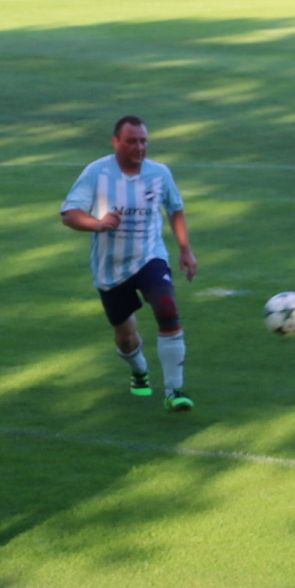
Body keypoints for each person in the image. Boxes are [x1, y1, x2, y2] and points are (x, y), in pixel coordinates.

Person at [60, 115, 197, 411]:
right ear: (116, 142)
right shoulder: (97, 172)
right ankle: (139, 370)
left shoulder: (159, 173)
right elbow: (69, 214)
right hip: (110, 268)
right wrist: (97, 223)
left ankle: (174, 391)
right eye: (132, 141)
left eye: (143, 141)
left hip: (150, 257)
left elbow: (175, 209)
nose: (139, 147)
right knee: (125, 337)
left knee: (167, 309)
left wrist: (185, 250)